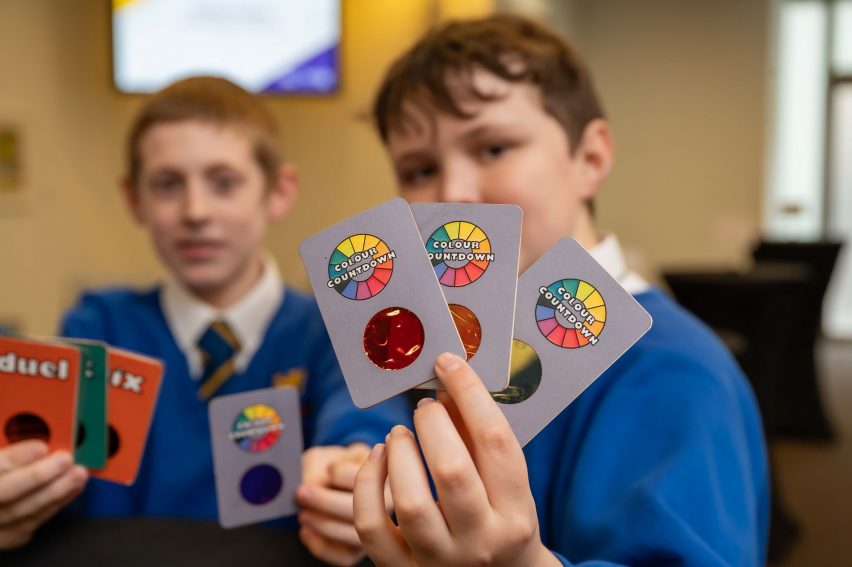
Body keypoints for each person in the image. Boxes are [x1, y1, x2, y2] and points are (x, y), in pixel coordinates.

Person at [353, 14, 769, 566]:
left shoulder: (674, 372)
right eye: (419, 168)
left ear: (590, 158)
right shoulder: (448, 345)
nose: (452, 191)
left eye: (494, 148)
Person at [0, 76, 408, 566]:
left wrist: (356, 465)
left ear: (278, 192)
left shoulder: (335, 329)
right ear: (134, 199)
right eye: (168, 184)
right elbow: (52, 458)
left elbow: (361, 415)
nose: (196, 211)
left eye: (224, 182)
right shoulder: (99, 327)